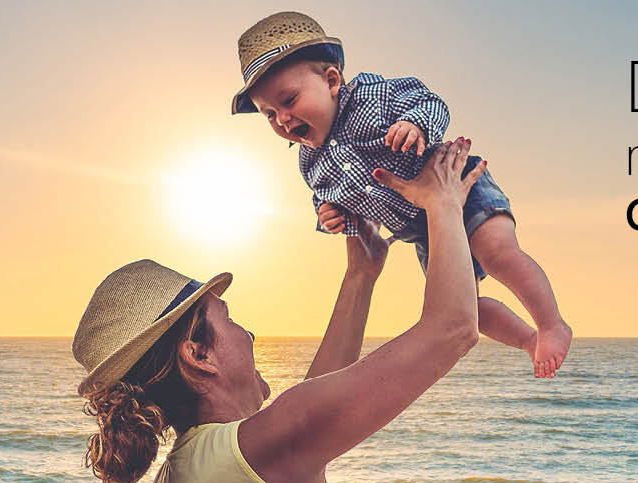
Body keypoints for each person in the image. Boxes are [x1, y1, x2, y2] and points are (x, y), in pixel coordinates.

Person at [72, 139, 487, 483]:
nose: (248, 335)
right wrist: (442, 201)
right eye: (229, 318)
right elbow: (452, 329)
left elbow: (318, 400)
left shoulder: (202, 469)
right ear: (198, 355)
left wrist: (360, 276)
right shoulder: (252, 455)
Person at [230, 11, 570, 377]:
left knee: (498, 253)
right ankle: (528, 340)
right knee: (464, 305)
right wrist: (328, 214)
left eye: (290, 100)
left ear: (331, 81)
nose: (282, 118)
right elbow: (325, 196)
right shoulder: (311, 162)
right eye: (269, 114)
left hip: (459, 189)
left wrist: (415, 124)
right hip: (422, 229)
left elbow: (430, 102)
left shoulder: (372, 97)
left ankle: (552, 323)